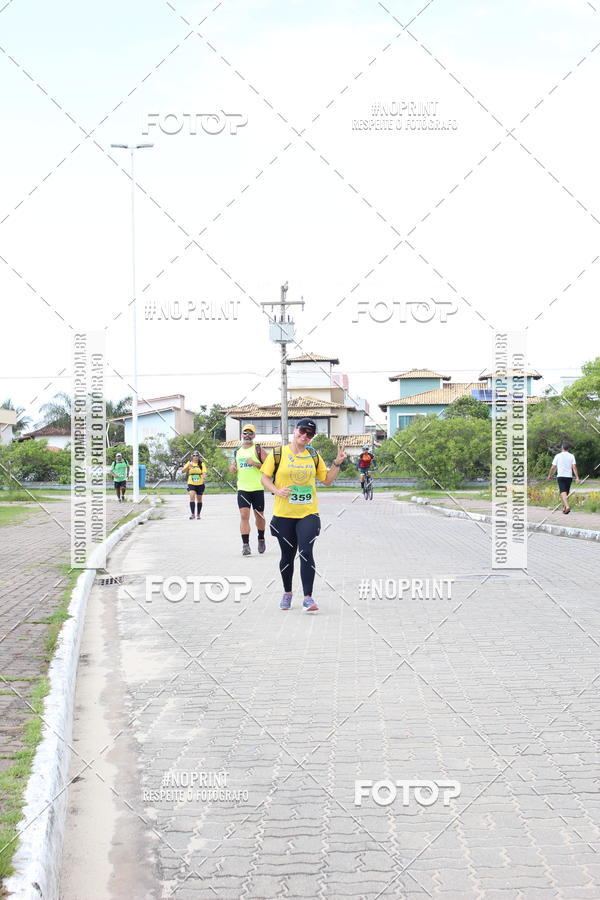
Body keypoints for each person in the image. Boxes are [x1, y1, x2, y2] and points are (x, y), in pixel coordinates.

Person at [261, 418, 346, 612]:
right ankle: (287, 593)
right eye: (303, 431)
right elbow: (264, 477)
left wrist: (337, 463)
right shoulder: (278, 453)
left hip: (308, 512)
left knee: (306, 552)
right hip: (284, 514)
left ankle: (308, 597)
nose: (305, 436)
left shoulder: (313, 455)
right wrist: (276, 490)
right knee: (287, 555)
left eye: (310, 434)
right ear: (295, 430)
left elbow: (326, 480)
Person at [229, 424, 268, 556]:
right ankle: (245, 545)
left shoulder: (259, 450)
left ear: (254, 435)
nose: (247, 435)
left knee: (259, 516)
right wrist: (233, 468)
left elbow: (268, 468)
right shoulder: (237, 451)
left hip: (257, 488)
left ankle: (261, 538)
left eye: (250, 433)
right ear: (242, 435)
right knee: (244, 516)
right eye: (245, 433)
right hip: (243, 489)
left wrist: (255, 464)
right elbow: (235, 465)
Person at [547, 442, 580, 514]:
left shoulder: (557, 456)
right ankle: (564, 508)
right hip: (569, 477)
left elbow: (553, 467)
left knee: (562, 492)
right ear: (568, 448)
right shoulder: (571, 456)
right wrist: (577, 477)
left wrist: (550, 475)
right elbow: (574, 467)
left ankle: (567, 506)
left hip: (561, 476)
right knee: (566, 492)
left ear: (562, 448)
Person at [182, 451, 208, 519]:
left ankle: (198, 514)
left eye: (196, 455)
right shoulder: (189, 463)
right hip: (191, 482)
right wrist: (188, 466)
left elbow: (204, 472)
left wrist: (204, 478)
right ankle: (192, 514)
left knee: (199, 500)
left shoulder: (201, 464)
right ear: (192, 456)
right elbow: (183, 471)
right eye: (194, 455)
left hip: (200, 483)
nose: (195, 457)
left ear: (198, 457)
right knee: (192, 497)